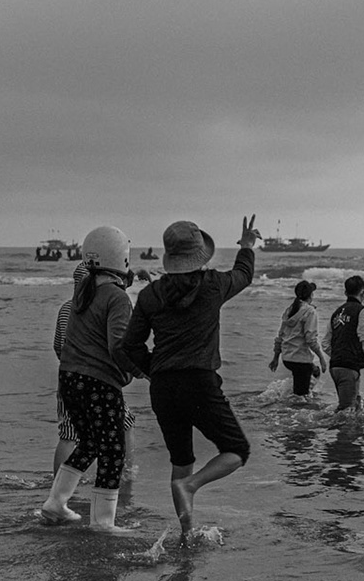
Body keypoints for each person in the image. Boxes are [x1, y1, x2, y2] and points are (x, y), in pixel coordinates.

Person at [115, 215, 260, 534]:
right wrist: (247, 245)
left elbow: (130, 345)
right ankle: (192, 486)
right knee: (237, 450)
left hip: (164, 389)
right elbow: (243, 275)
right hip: (200, 383)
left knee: (181, 461)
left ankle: (187, 531)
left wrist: (155, 371)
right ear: (199, 255)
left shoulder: (151, 295)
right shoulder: (214, 285)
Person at [41, 226, 142, 532]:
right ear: (122, 259)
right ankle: (103, 523)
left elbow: (67, 342)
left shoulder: (81, 296)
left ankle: (55, 503)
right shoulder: (117, 297)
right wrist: (139, 370)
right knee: (112, 451)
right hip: (99, 383)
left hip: (69, 379)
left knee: (88, 443)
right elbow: (118, 345)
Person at [50, 263, 88, 476]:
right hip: (95, 377)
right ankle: (126, 474)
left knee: (68, 434)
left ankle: (58, 486)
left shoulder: (66, 308)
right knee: (124, 421)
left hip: (66, 377)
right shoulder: (96, 308)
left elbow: (57, 345)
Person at [325, 275, 364, 414]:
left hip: (335, 366)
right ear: (363, 292)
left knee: (355, 406)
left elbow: (325, 343)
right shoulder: (362, 311)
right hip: (349, 367)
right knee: (346, 412)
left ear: (346, 293)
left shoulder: (336, 312)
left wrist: (338, 355)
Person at [269, 280, 327, 397]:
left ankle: (295, 395)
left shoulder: (289, 310)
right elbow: (311, 339)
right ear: (311, 295)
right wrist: (321, 358)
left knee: (314, 372)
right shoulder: (310, 311)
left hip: (287, 359)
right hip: (300, 360)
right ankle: (296, 407)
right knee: (301, 397)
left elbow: (280, 336)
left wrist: (276, 358)